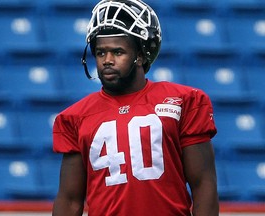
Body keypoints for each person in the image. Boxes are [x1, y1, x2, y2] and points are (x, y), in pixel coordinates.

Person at [52, 0, 219, 215]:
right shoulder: (74, 117)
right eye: (101, 53)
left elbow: (203, 184)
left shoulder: (184, 101)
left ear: (140, 55)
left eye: (118, 52)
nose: (107, 60)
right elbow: (69, 200)